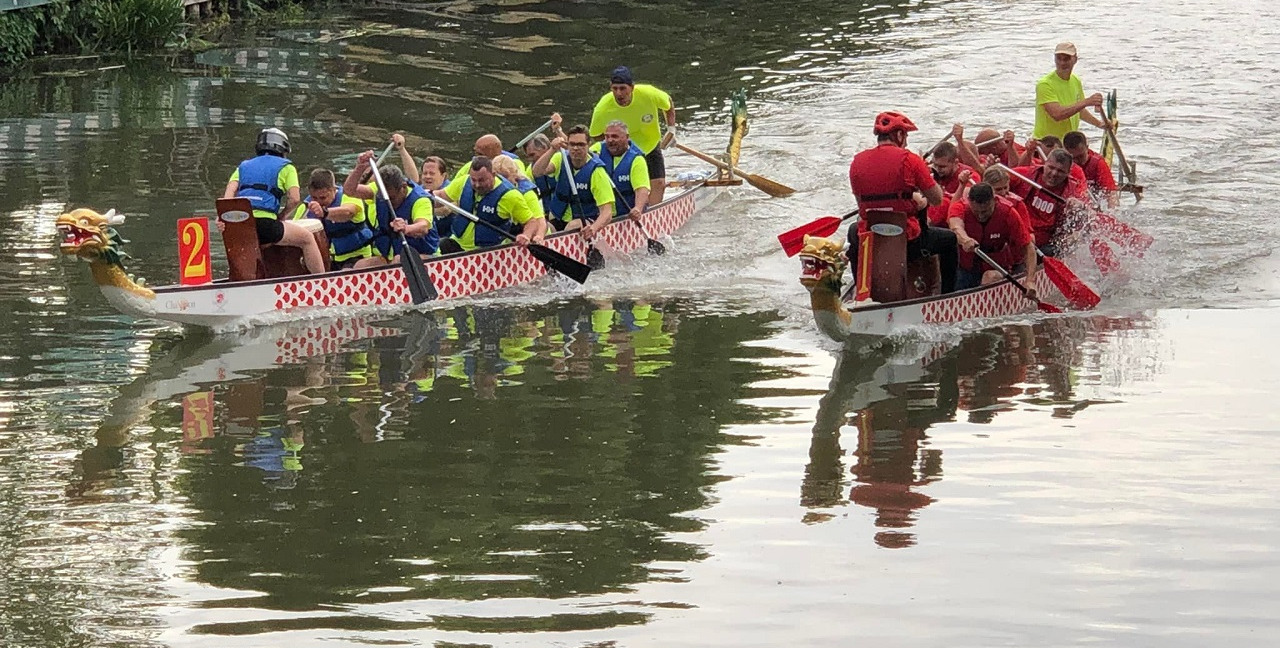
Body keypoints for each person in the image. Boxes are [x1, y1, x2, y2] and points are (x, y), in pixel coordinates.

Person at [847, 111, 956, 294]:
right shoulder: (911, 159)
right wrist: (918, 196)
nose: (906, 141)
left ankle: (861, 289)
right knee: (949, 240)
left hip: (871, 238)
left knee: (853, 231)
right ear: (898, 135)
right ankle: (947, 295)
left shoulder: (857, 161)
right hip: (907, 239)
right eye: (905, 136)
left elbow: (861, 204)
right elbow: (937, 200)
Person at [221, 128, 325, 274]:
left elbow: (228, 196)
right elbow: (295, 199)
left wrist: (226, 220)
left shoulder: (242, 166)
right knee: (307, 239)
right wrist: (283, 215)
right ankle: (321, 281)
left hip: (240, 224)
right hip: (266, 225)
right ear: (283, 148)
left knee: (254, 245)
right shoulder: (286, 167)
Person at [589, 66, 676, 204]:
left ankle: (654, 214)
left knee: (658, 183)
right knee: (628, 186)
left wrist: (671, 129)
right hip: (623, 152)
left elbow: (668, 103)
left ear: (632, 88)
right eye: (615, 89)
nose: (619, 93)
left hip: (650, 144)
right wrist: (613, 147)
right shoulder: (602, 107)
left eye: (623, 88)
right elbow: (596, 135)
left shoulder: (649, 93)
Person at [342, 152, 438, 266]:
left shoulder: (420, 200)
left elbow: (423, 227)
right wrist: (360, 168)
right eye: (382, 197)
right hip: (390, 256)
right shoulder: (380, 190)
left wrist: (406, 228)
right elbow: (349, 191)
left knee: (399, 260)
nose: (388, 202)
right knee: (360, 266)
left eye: (392, 198)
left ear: (403, 187)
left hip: (426, 257)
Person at [435, 155, 543, 254]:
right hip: (457, 243)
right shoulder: (463, 182)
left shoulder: (510, 196)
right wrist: (424, 197)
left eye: (482, 180)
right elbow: (440, 195)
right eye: (473, 180)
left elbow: (531, 222)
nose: (477, 185)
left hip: (488, 252)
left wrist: (526, 235)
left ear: (493, 175)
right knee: (442, 244)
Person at [946, 182, 1038, 293]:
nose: (980, 216)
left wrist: (1030, 281)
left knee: (991, 276)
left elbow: (1028, 247)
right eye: (976, 211)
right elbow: (955, 226)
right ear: (969, 202)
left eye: (985, 211)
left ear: (994, 200)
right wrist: (965, 239)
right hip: (966, 268)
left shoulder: (1008, 212)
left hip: (997, 267)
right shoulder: (960, 206)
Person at [530, 125, 615, 239]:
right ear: (567, 145)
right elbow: (537, 172)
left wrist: (594, 228)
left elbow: (607, 212)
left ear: (588, 145)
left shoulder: (597, 172)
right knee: (541, 227)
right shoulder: (561, 158)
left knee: (572, 226)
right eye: (572, 144)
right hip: (558, 218)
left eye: (580, 144)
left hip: (585, 221)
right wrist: (552, 149)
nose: (575, 148)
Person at [1009, 148, 1089, 255]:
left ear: (1068, 172)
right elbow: (996, 175)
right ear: (1044, 164)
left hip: (1047, 245)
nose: (1054, 173)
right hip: (1019, 234)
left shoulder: (1073, 190)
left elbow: (1088, 214)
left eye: (1060, 171)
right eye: (1051, 167)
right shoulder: (1026, 174)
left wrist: (1079, 205)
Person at [292, 168, 373, 270]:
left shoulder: (350, 197)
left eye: (323, 198)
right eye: (314, 198)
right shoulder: (305, 208)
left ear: (334, 190)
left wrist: (325, 213)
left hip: (355, 257)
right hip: (325, 260)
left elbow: (348, 212)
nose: (318, 202)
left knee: (346, 272)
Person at [1034, 42, 1106, 140]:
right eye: (1058, 58)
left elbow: (1079, 111)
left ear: (1075, 59)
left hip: (1067, 143)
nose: (1062, 63)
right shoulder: (1044, 84)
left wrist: (1100, 124)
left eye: (1066, 59)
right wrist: (1086, 102)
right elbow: (1057, 114)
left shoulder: (1075, 80)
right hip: (1046, 144)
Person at [590, 120, 651, 218]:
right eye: (607, 136)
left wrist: (637, 208)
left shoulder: (637, 160)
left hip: (627, 215)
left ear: (627, 137)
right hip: (599, 214)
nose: (610, 140)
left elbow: (641, 189)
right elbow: (582, 154)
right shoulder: (598, 148)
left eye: (615, 136)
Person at [1063, 130, 1118, 206]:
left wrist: (1111, 214)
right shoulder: (1062, 163)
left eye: (1081, 156)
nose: (1078, 161)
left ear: (1087, 147)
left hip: (1092, 204)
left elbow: (1111, 194)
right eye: (1073, 158)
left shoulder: (1097, 163)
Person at [491, 155, 546, 228]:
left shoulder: (527, 193)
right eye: (498, 178)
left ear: (515, 174)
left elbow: (539, 222)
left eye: (505, 177)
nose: (503, 181)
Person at [453, 134, 527, 184]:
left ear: (493, 151)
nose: (477, 157)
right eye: (476, 153)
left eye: (480, 154)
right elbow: (453, 186)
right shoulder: (469, 166)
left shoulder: (514, 163)